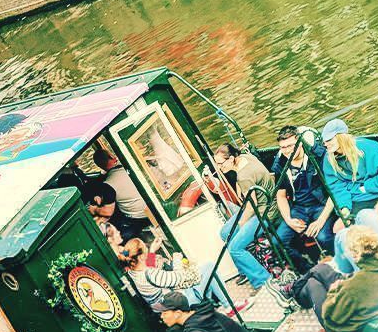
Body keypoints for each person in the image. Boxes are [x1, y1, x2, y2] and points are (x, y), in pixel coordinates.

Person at [277, 226, 378, 332]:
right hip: (367, 304)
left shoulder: (352, 287)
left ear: (355, 256)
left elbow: (331, 316)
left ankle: (292, 293)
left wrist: (334, 291)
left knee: (312, 284)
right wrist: (345, 286)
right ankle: (294, 288)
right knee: (321, 268)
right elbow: (364, 286)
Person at [214, 144, 282, 296]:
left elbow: (252, 207)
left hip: (264, 213)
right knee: (225, 233)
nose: (218, 167)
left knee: (235, 248)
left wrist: (241, 223)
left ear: (232, 158)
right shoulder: (246, 157)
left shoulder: (244, 177)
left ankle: (263, 282)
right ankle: (245, 271)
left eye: (220, 163)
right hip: (259, 206)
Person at [118, 238, 245, 314]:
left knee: (203, 271)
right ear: (141, 257)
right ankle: (229, 306)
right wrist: (177, 259)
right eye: (145, 249)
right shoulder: (151, 274)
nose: (147, 249)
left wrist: (151, 251)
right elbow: (179, 277)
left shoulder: (133, 272)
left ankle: (214, 304)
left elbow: (149, 271)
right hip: (182, 303)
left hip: (166, 306)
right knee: (209, 266)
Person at [271, 125, 336, 269]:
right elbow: (281, 196)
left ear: (300, 143)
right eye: (283, 147)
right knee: (278, 242)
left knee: (324, 237)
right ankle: (307, 269)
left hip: (321, 204)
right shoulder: (280, 163)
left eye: (290, 145)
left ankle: (340, 264)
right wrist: (289, 219)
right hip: (299, 208)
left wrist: (320, 220)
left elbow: (334, 190)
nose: (287, 150)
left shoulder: (318, 157)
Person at [320, 119, 378, 221]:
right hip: (355, 198)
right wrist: (344, 206)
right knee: (340, 226)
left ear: (341, 137)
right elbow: (336, 186)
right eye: (324, 141)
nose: (325, 144)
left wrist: (366, 187)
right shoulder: (329, 158)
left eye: (329, 140)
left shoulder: (368, 147)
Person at [93, 150, 150, 240]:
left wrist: (94, 209)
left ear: (99, 166)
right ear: (113, 158)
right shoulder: (127, 166)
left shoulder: (108, 184)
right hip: (151, 208)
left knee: (115, 223)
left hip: (139, 218)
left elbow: (108, 212)